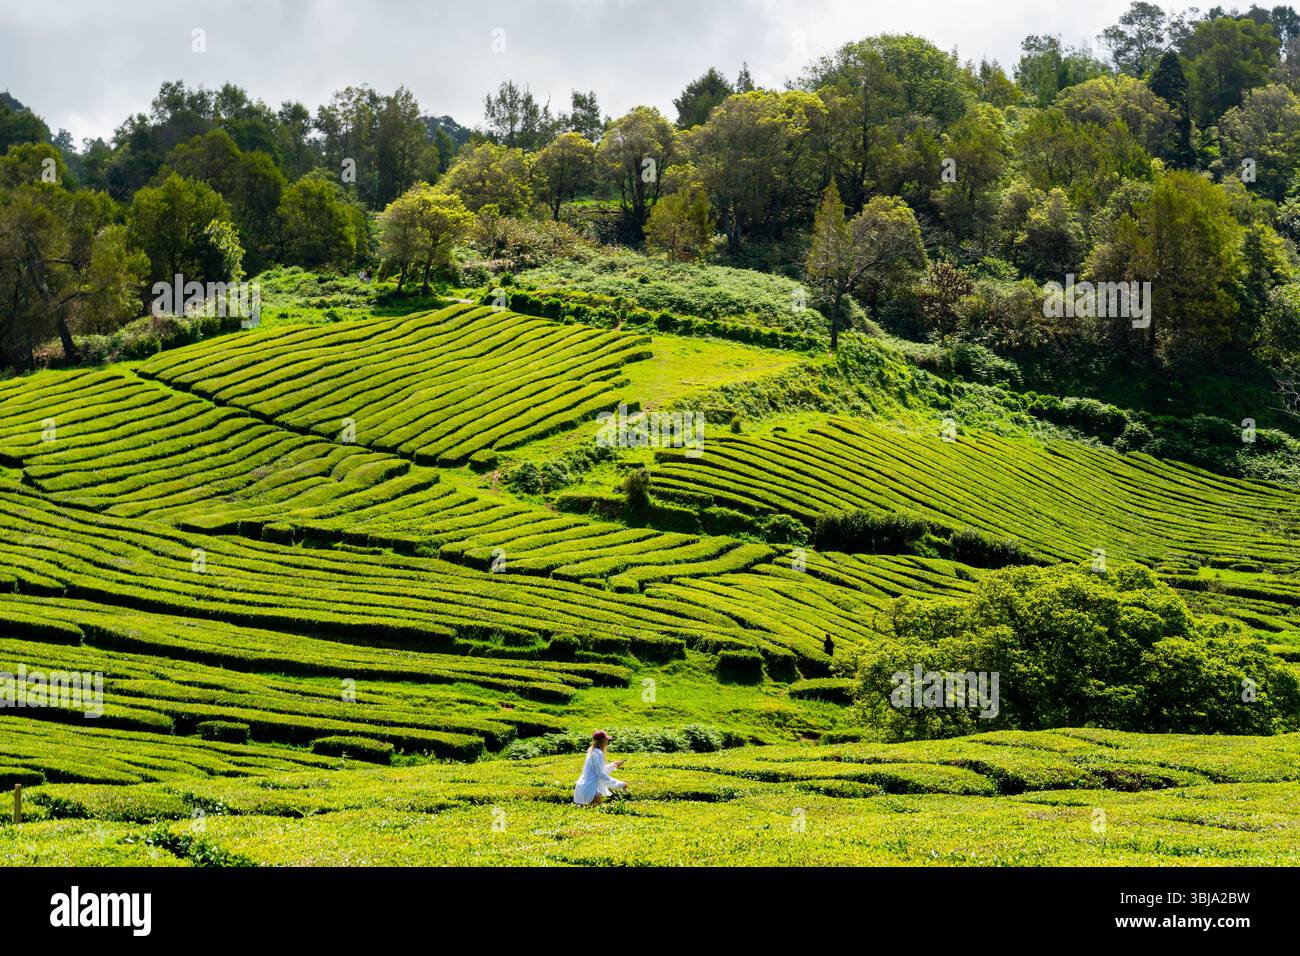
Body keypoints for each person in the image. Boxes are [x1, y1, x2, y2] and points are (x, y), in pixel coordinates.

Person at [573, 730, 627, 806]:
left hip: (582, 787)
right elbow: (601, 774)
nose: (607, 742)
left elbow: (597, 771)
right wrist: (620, 784)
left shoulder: (592, 751)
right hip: (590, 789)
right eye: (607, 740)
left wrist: (613, 765)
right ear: (603, 741)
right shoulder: (597, 753)